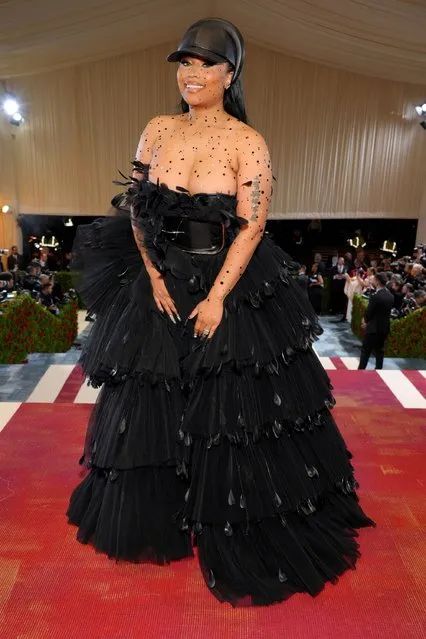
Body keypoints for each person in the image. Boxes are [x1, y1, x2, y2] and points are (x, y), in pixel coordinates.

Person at [67, 17, 374, 606]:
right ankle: (166, 514)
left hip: (226, 284)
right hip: (156, 280)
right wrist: (154, 276)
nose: (191, 74)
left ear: (229, 74)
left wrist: (216, 298)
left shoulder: (247, 141)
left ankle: (227, 513)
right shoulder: (156, 129)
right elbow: (137, 207)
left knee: (231, 409)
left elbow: (253, 223)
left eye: (204, 64)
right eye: (184, 63)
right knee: (151, 400)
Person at [358, 272, 394, 370]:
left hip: (373, 328)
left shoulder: (376, 296)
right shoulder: (390, 295)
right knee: (380, 351)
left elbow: (369, 312)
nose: (372, 280)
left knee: (366, 351)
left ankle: (360, 371)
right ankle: (379, 371)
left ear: (377, 282)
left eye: (373, 279)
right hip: (384, 328)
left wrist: (365, 321)